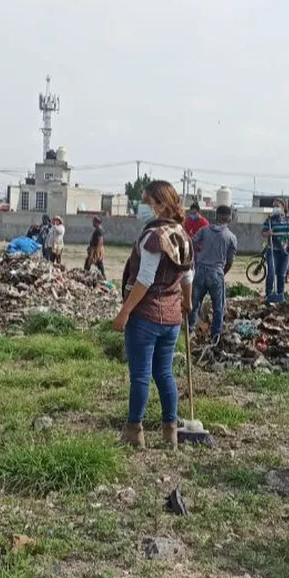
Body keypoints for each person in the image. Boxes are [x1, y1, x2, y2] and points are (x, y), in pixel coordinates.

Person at [113, 180, 194, 450]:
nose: (141, 207)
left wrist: (124, 312)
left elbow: (144, 279)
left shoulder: (153, 238)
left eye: (145, 202)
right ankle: (170, 431)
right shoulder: (181, 234)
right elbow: (188, 275)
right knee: (164, 374)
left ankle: (134, 430)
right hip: (171, 318)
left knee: (140, 375)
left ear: (159, 204)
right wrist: (187, 301)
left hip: (146, 316)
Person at [189, 205, 238, 339]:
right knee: (218, 307)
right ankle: (215, 334)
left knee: (194, 303)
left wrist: (196, 258)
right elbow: (229, 262)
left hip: (200, 270)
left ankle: (190, 330)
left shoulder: (204, 230)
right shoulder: (231, 237)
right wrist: (222, 272)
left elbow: (192, 242)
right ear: (230, 219)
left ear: (216, 217)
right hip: (216, 273)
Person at [260, 200, 289, 303]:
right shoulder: (270, 219)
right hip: (273, 250)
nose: (275, 208)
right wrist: (267, 233)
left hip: (287, 251)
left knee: (282, 274)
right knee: (271, 272)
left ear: (283, 207)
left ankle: (280, 295)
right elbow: (263, 232)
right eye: (273, 206)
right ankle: (269, 295)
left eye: (277, 206)